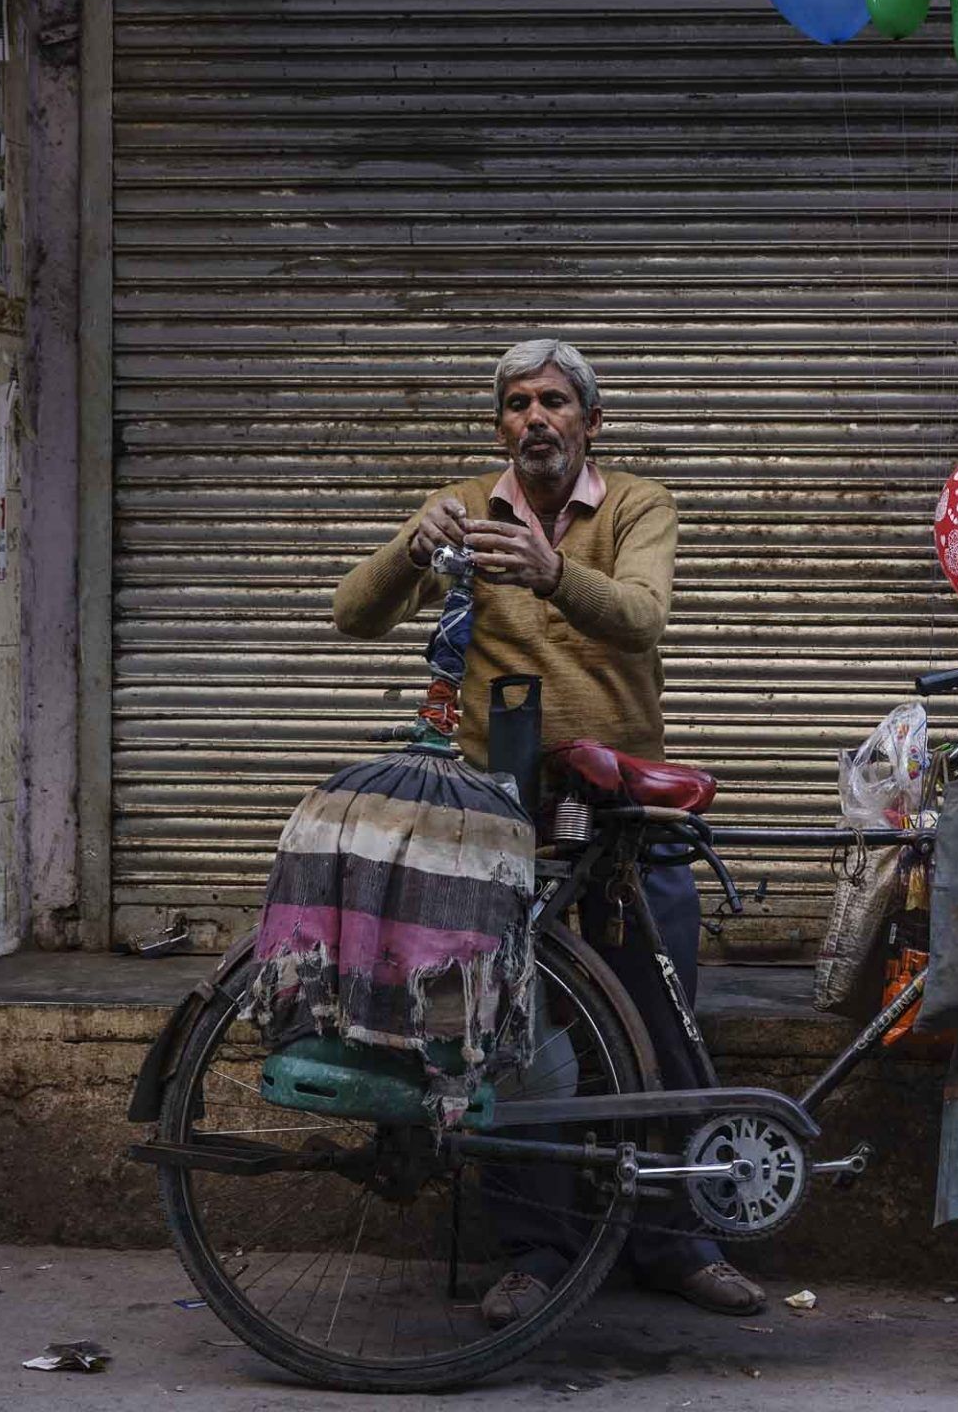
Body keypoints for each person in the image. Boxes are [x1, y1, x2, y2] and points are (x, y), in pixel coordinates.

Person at [332, 337, 766, 1326]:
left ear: (589, 423)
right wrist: (409, 544)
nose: (536, 419)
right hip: (497, 817)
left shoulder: (639, 506)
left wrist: (551, 569)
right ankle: (534, 1253)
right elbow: (349, 615)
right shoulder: (460, 509)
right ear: (499, 426)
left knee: (657, 1028)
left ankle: (674, 1244)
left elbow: (643, 617)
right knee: (508, 1037)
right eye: (519, 403)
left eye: (556, 403)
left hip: (623, 816)